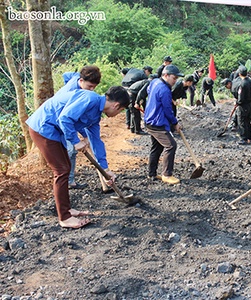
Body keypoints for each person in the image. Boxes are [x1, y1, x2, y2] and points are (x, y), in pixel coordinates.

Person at [26, 86, 130, 229]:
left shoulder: (96, 114)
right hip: (43, 127)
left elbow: (96, 141)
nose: (118, 113)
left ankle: (67, 209)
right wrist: (75, 141)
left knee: (66, 168)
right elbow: (64, 118)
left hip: (54, 131)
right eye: (121, 110)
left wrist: (105, 170)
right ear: (116, 105)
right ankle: (64, 218)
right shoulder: (89, 99)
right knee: (61, 170)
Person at [60, 66, 101, 190]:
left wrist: (85, 135)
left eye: (94, 87)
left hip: (72, 119)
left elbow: (66, 75)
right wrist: (77, 141)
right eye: (89, 87)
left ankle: (69, 180)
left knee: (73, 148)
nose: (92, 90)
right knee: (71, 150)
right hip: (62, 119)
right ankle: (68, 181)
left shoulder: (75, 78)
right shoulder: (76, 93)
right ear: (81, 81)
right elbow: (66, 120)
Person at [144, 65, 184, 184]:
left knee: (157, 147)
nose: (175, 81)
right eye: (174, 78)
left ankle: (152, 174)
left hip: (149, 120)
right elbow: (168, 109)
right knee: (171, 145)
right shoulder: (165, 90)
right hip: (157, 123)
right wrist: (175, 123)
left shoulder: (155, 82)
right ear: (166, 75)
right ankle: (167, 174)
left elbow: (148, 91)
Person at [235, 66, 251, 145]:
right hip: (250, 105)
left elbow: (241, 97)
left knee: (242, 122)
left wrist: (237, 102)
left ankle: (243, 138)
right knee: (248, 121)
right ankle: (249, 138)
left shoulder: (242, 84)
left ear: (239, 74)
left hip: (243, 106)